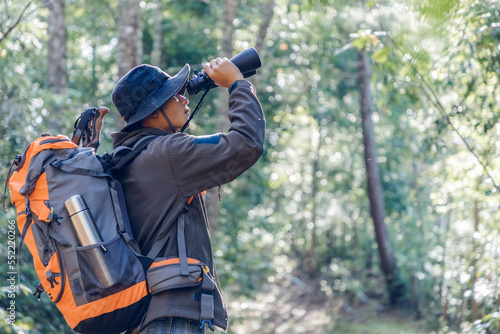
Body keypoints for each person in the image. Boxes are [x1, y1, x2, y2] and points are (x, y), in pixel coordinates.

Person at [111, 56, 265, 334]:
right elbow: (246, 143)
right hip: (172, 318)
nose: (184, 99)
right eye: (173, 95)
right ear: (153, 112)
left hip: (148, 314)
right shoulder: (167, 153)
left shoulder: (126, 157)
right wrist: (237, 84)